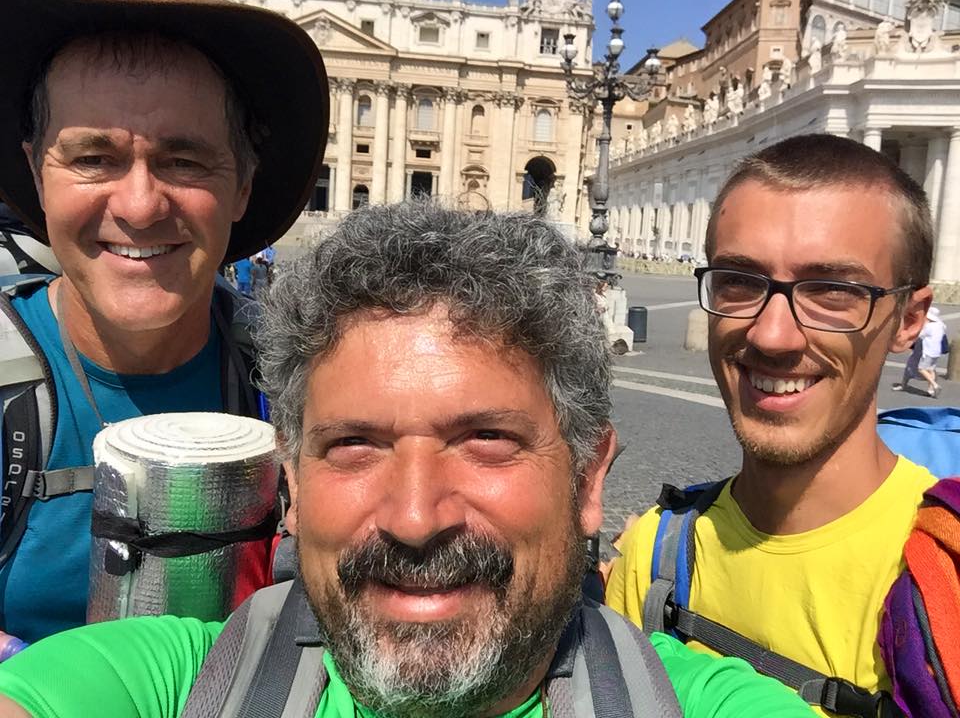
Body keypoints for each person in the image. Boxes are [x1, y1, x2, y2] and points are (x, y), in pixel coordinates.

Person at [0, 202, 813, 718]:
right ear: (290, 483)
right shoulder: (165, 684)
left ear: (590, 477)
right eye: (353, 445)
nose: (416, 517)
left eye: (486, 440)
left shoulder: (704, 704)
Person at [0, 0, 329, 644]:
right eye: (94, 158)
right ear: (40, 176)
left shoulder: (303, 386)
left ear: (242, 186)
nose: (141, 205)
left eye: (184, 161)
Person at [606, 134, 937, 717]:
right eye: (738, 280)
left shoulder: (943, 577)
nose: (771, 334)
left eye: (833, 290)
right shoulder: (651, 556)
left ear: (909, 319)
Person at [894, 306, 947, 397]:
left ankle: (934, 385)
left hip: (927, 351)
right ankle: (931, 390)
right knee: (931, 369)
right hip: (936, 352)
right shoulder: (940, 325)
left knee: (921, 369)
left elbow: (920, 334)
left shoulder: (929, 326)